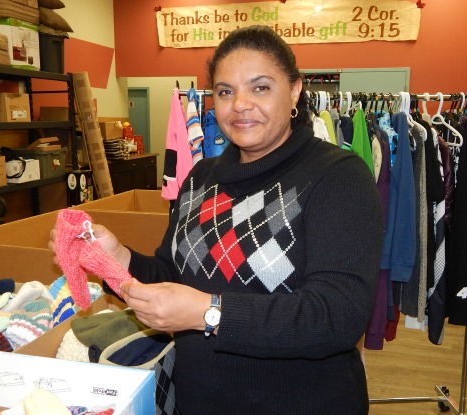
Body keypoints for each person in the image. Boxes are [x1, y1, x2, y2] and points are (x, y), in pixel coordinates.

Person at [50, 25, 384, 415]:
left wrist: (208, 312)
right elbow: (173, 276)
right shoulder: (200, 178)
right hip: (198, 399)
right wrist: (119, 258)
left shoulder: (338, 176)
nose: (240, 104)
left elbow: (337, 315)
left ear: (294, 91)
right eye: (225, 91)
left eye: (260, 87)